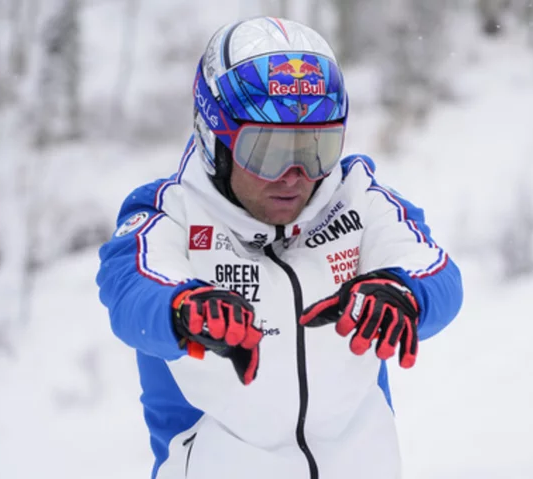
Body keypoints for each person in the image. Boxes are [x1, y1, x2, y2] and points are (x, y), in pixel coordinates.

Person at [96, 16, 463, 479]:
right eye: (267, 150)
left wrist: (404, 294)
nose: (296, 174)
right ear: (217, 140)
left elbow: (434, 268)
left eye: (317, 146)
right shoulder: (171, 213)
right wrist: (182, 310)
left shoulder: (356, 197)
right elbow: (129, 289)